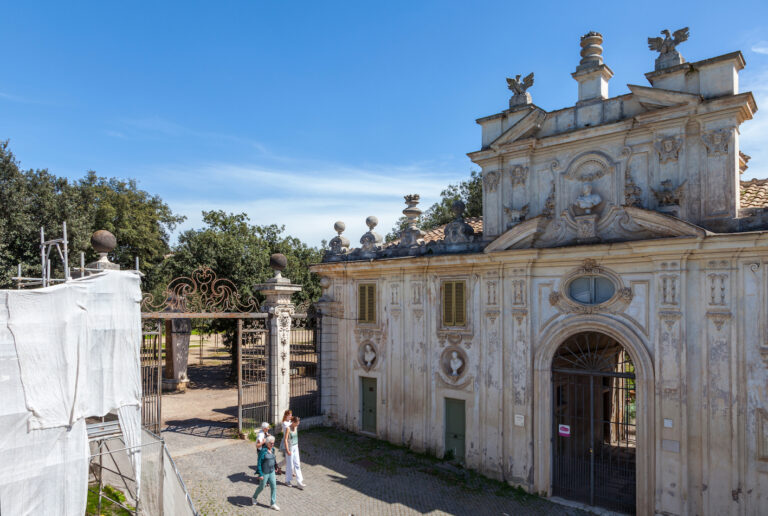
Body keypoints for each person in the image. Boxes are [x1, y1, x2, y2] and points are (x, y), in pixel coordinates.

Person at [252, 436, 280, 511]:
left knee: (274, 487)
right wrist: (260, 474)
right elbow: (259, 463)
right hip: (264, 472)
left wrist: (276, 466)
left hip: (272, 471)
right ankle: (254, 497)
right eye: (271, 443)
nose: (273, 445)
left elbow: (274, 458)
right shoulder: (263, 451)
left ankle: (272, 503)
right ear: (267, 443)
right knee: (262, 487)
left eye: (273, 443)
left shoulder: (273, 449)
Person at [284, 416, 305, 488]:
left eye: (298, 423)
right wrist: (287, 450)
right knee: (290, 465)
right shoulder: (288, 428)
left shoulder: (296, 427)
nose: (297, 425)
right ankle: (287, 480)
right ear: (293, 422)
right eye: (296, 423)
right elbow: (285, 440)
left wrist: (297, 445)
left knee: (297, 464)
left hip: (295, 447)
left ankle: (299, 481)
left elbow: (296, 436)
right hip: (290, 447)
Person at [277, 409, 292, 474]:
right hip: (286, 441)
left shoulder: (290, 421)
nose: (291, 416)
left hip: (291, 441)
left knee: (289, 457)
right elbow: (289, 428)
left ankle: (278, 466)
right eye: (289, 415)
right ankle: (278, 466)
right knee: (288, 457)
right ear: (286, 416)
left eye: (291, 415)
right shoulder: (284, 423)